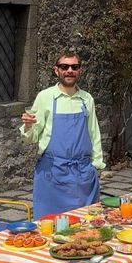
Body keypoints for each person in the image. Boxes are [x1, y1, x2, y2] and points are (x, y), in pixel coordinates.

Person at [20, 51, 105, 219]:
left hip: (82, 174)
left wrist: (96, 166)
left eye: (74, 67)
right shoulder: (45, 97)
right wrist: (29, 126)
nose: (69, 70)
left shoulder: (86, 99)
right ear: (56, 70)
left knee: (85, 227)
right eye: (64, 66)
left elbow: (94, 133)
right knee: (49, 227)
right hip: (52, 175)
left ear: (80, 71)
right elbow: (32, 137)